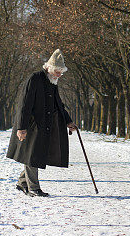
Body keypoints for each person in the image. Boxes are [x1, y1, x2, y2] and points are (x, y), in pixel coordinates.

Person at [6, 49, 78, 196]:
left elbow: (59, 104)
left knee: (34, 156)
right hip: (32, 125)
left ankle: (22, 183)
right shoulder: (35, 78)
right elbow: (24, 105)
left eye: (61, 72)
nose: (59, 75)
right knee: (32, 156)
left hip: (44, 126)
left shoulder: (52, 82)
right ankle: (34, 188)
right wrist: (22, 128)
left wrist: (68, 122)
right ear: (49, 67)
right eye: (58, 71)